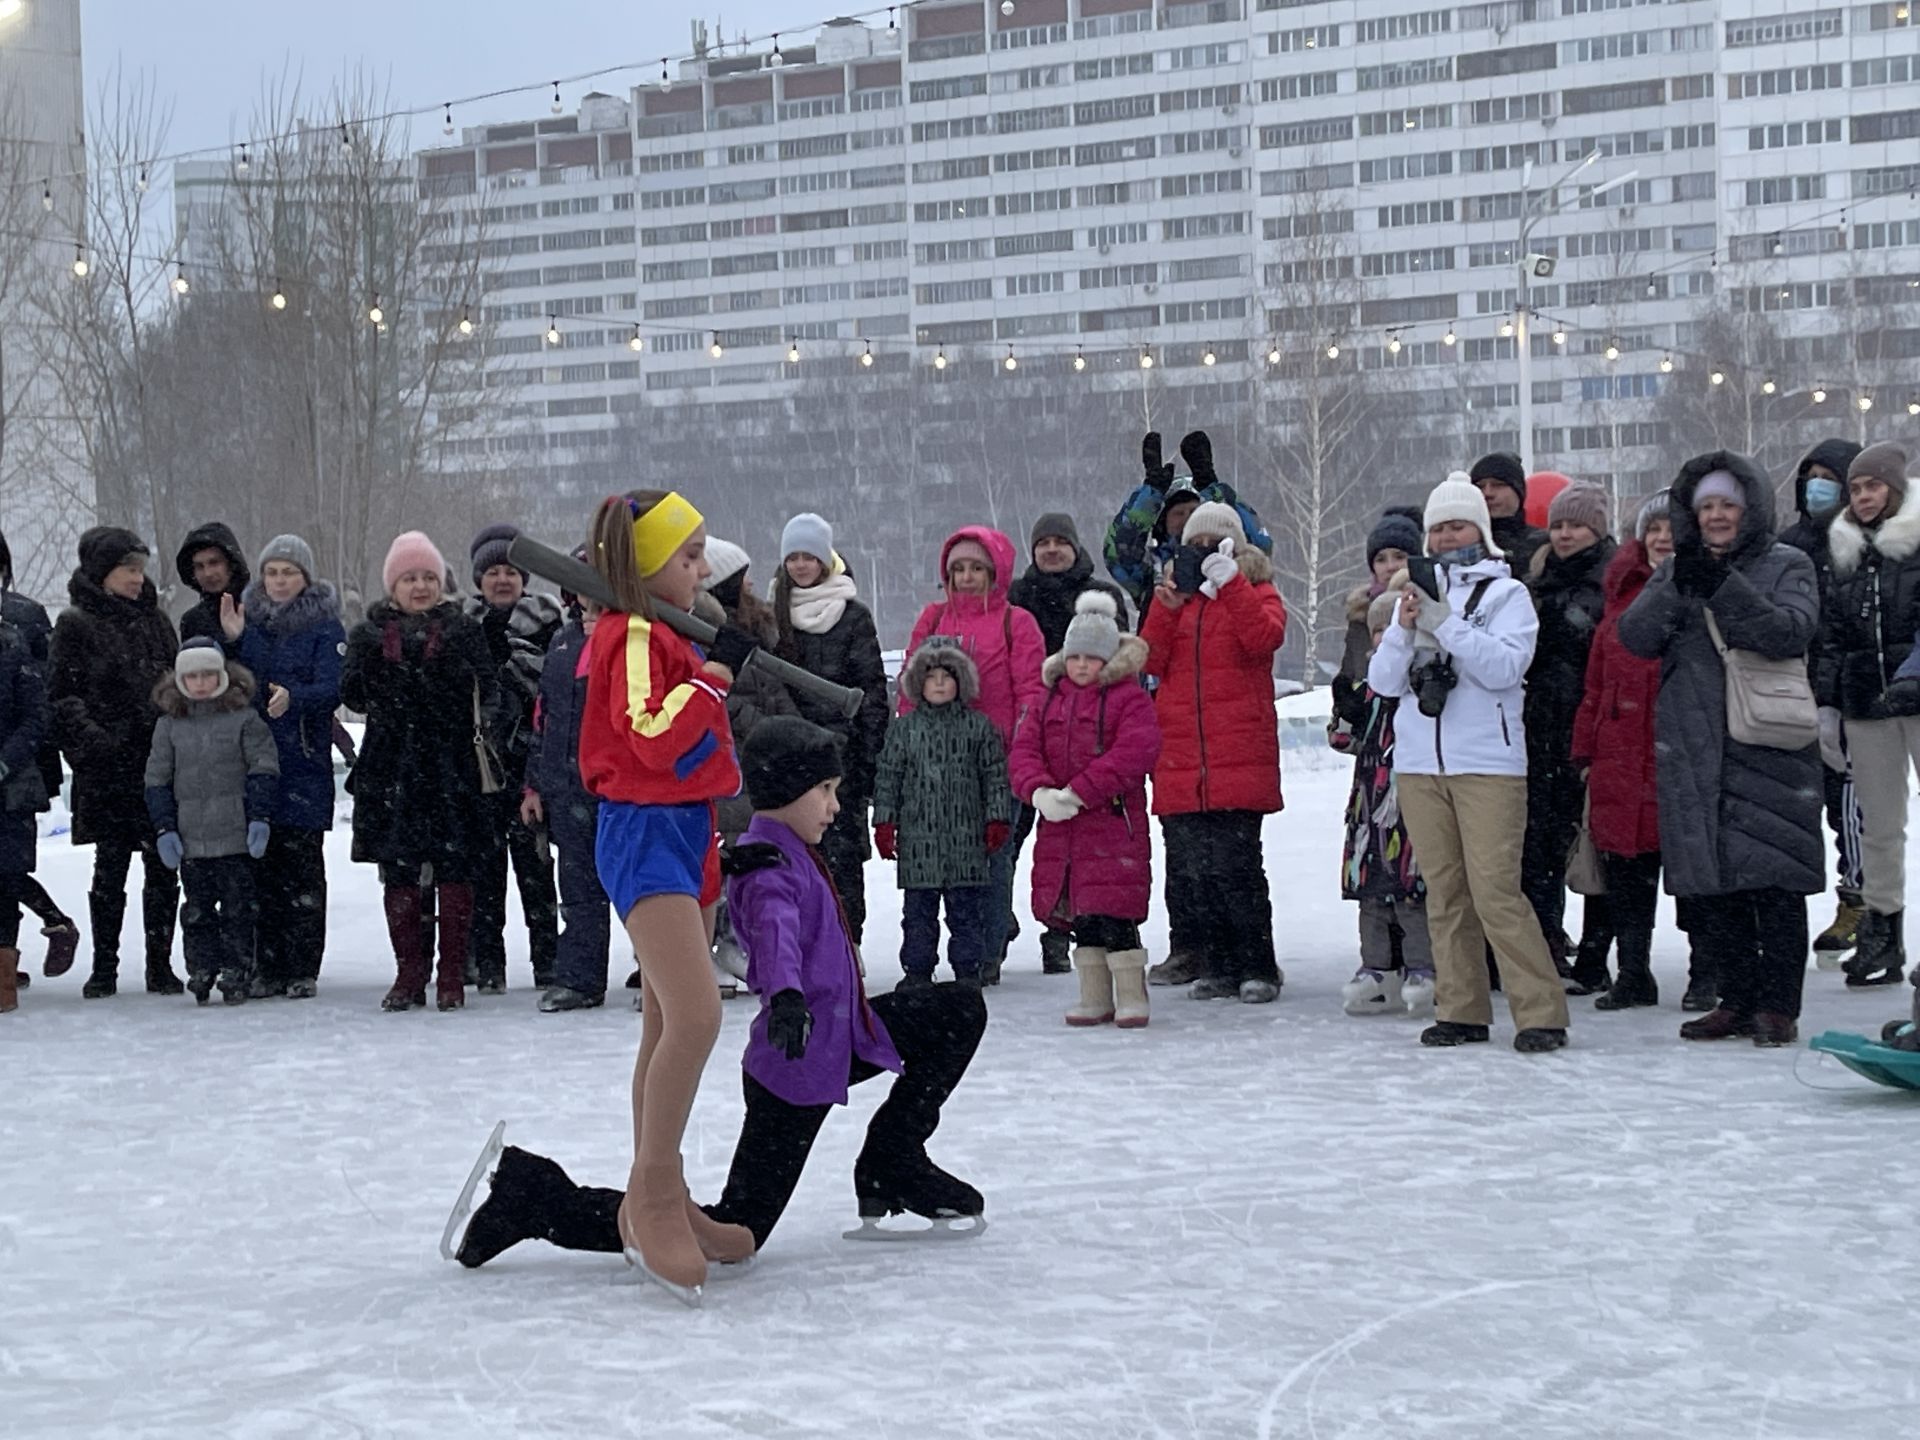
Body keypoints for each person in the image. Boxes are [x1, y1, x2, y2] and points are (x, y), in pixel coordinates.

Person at [445, 716, 988, 1274]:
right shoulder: (772, 866)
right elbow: (774, 933)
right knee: (734, 1230)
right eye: (824, 792)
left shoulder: (780, 848)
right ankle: (538, 1198)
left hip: (842, 1034)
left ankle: (892, 1158)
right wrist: (785, 998)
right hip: (794, 1063)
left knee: (958, 1009)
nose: (835, 807)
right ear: (786, 791)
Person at [577, 489, 762, 1303]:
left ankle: (663, 1189)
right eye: (688, 559)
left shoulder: (660, 632)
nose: (701, 571)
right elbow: (648, 728)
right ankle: (649, 1196)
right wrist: (715, 681)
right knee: (696, 1014)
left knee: (664, 1021)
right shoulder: (638, 633)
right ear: (648, 566)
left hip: (685, 829)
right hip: (646, 831)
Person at [1619, 453, 1823, 1048]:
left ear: (1749, 508)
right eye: (1705, 506)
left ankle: (1778, 1006)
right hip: (1693, 744)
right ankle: (1735, 1000)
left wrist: (1723, 590)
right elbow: (1635, 638)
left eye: (1727, 505)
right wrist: (1676, 585)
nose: (1716, 517)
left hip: (1767, 744)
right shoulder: (1678, 568)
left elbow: (1789, 631)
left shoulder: (1789, 562)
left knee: (1775, 879)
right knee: (1718, 883)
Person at [1367, 474, 1572, 1052]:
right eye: (1437, 527)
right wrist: (1405, 630)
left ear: (1480, 530)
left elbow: (1505, 669)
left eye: (1457, 524)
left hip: (1488, 764)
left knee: (1496, 893)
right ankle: (1461, 1008)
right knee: (1446, 893)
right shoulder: (1413, 596)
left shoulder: (1507, 596)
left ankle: (1540, 1011)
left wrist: (1444, 624)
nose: (1446, 535)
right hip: (1419, 763)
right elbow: (1383, 684)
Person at [340, 532, 497, 1013]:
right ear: (393, 585)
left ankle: (451, 974)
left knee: (455, 868)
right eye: (410, 578)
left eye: (429, 577)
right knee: (399, 871)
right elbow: (353, 697)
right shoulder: (370, 634)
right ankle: (410, 973)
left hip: (451, 766)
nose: (421, 586)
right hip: (392, 767)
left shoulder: (463, 630)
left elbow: (488, 688)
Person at [1141, 500, 1289, 1004]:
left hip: (1237, 756)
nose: (1202, 552)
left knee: (1238, 867)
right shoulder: (1174, 600)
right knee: (1195, 872)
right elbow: (1149, 659)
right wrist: (1166, 607)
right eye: (1194, 544)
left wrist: (1233, 585)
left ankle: (1258, 964)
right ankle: (1217, 963)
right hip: (1183, 759)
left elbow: (1264, 638)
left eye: (1213, 542)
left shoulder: (1257, 590)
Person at [1008, 592, 1162, 1027]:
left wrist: (1079, 792)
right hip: (1062, 830)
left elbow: (1135, 752)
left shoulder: (1129, 698)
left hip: (1112, 825)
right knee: (1084, 914)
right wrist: (1038, 792)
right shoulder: (1046, 700)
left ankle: (1132, 994)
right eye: (1073, 656)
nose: (1080, 665)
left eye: (1090, 658)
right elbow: (1023, 752)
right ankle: (1094, 994)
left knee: (1116, 912)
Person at [900, 526, 1044, 984]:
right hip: (936, 767)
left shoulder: (1016, 622)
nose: (966, 577)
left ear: (995, 572)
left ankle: (987, 950)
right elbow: (909, 687)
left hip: (994, 764)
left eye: (976, 568)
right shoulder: (933, 619)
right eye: (958, 569)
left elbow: (1031, 693)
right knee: (944, 863)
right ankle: (945, 951)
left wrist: (1018, 751)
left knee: (993, 859)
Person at [49, 527, 183, 999]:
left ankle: (160, 964)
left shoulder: (156, 620)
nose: (135, 578)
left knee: (163, 866)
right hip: (107, 768)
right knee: (110, 869)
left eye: (140, 569)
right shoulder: (76, 625)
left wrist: (169, 731)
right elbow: (64, 697)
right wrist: (96, 745)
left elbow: (177, 680)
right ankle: (104, 965)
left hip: (157, 764)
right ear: (103, 572)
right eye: (128, 568)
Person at [1813, 443, 1920, 991]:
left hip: (1917, 697)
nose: (1863, 497)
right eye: (1855, 489)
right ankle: (1883, 930)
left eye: (1872, 486)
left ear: (1894, 489)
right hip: (1866, 704)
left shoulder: (1916, 543)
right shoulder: (1845, 551)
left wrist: (1912, 673)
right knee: (1878, 826)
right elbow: (1831, 636)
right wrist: (1828, 704)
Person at [1007, 513, 1132, 976]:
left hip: (1094, 731)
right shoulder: (1018, 597)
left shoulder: (1100, 597)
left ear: (1076, 547)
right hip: (1038, 726)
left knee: (1085, 843)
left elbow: (1121, 660)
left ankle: (1074, 934)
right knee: (1017, 841)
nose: (1052, 550)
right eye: (1044, 543)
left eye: (1062, 541)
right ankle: (1010, 921)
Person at [1573, 494, 1680, 1012]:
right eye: (1653, 527)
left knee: (1691, 872)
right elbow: (1596, 682)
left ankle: (1709, 971)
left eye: (1672, 527)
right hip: (1619, 752)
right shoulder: (1620, 593)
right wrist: (1585, 750)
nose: (1662, 536)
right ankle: (1633, 971)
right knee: (1625, 874)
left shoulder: (1699, 588)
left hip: (1677, 750)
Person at [228, 534, 344, 999]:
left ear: (305, 578)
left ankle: (302, 966)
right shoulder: (247, 623)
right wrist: (235, 641)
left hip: (303, 762)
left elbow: (334, 689)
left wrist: (296, 700)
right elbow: (234, 686)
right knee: (262, 870)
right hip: (254, 764)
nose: (279, 581)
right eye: (272, 572)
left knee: (302, 870)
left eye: (288, 572)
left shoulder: (325, 628)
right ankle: (266, 964)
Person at [769, 513, 889, 949]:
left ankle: (845, 945)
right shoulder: (772, 614)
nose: (801, 566)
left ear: (826, 559)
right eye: (793, 557)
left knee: (841, 859)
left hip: (841, 763)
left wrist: (866, 754)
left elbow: (872, 689)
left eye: (809, 556)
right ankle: (797, 948)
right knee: (793, 858)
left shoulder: (852, 615)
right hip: (787, 759)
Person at [1519, 484, 1616, 995]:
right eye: (1558, 525)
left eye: (1575, 525)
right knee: (1541, 843)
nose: (1564, 534)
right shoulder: (1537, 580)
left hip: (1594, 723)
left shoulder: (1612, 579)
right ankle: (1547, 941)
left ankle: (1598, 952)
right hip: (1542, 726)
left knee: (1596, 844)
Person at [144, 639, 279, 1006]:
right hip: (190, 837)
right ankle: (201, 968)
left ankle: (237, 969)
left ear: (221, 676)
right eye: (192, 676)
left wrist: (259, 818)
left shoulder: (245, 720)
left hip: (235, 835)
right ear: (180, 681)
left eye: (208, 674)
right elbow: (157, 778)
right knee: (197, 910)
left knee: (238, 909)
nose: (200, 683)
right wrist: (164, 828)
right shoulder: (169, 726)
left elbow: (263, 767)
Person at [875, 638, 1014, 989]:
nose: (938, 683)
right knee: (918, 916)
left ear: (961, 682)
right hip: (919, 844)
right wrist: (885, 821)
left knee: (966, 913)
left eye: (946, 676)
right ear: (918, 683)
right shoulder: (904, 730)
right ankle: (918, 970)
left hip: (966, 842)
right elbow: (889, 776)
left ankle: (968, 970)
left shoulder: (979, 728)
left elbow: (995, 777)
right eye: (931, 675)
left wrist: (997, 818)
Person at [464, 524, 561, 993]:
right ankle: (488, 963)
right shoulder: (462, 627)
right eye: (492, 572)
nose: (502, 580)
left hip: (530, 765)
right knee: (484, 873)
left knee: (537, 870)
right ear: (478, 579)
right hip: (478, 767)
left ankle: (548, 960)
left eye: (510, 571)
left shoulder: (548, 624)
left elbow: (556, 694)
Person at [1781, 438, 1866, 959]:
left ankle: (1858, 898)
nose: (1818, 486)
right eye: (1810, 475)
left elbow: (1846, 626)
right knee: (1795, 809)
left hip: (1848, 694)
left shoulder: (1862, 542)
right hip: (1788, 696)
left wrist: (1833, 695)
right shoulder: (1788, 544)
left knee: (1850, 806)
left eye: (1828, 477)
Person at [700, 537, 794, 992]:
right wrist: (749, 716)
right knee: (713, 862)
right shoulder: (706, 638)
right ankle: (706, 946)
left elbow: (773, 693)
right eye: (741, 579)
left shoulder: (758, 631)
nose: (752, 584)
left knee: (745, 859)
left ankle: (737, 940)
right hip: (718, 765)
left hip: (753, 769)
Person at [1336, 589, 1434, 1018]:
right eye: (1376, 631)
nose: (1381, 639)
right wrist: (1346, 712)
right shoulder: (1366, 690)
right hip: (1368, 806)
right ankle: (1376, 968)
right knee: (1373, 893)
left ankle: (1423, 967)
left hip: (1409, 803)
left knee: (1412, 891)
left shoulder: (1419, 685)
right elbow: (1341, 739)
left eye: (1388, 630)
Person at [529, 570, 616, 1013]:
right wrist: (534, 785)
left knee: (637, 888)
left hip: (616, 788)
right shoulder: (562, 643)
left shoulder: (630, 638)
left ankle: (661, 973)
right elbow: (543, 720)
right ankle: (580, 978)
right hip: (567, 788)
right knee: (578, 888)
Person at [0, 529, 77, 980]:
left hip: (19, 766)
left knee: (6, 870)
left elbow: (42, 697)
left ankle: (7, 962)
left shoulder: (24, 619)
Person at [1104, 430, 1272, 616]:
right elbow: (1117, 554)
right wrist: (1151, 493)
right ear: (1162, 523)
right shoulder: (1152, 572)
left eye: (1194, 510)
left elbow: (1259, 547)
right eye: (1178, 513)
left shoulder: (1230, 563)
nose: (1187, 518)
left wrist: (1212, 488)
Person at [1331, 507, 1424, 755]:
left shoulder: (1429, 607)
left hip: (1417, 734)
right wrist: (1346, 698)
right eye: (1381, 559)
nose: (1390, 566)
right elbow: (1352, 671)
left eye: (1399, 556)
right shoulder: (1360, 614)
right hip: (1373, 737)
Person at [0, 615, 48, 1013]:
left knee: (5, 880)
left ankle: (3, 980)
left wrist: (4, 762)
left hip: (10, 787)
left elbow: (35, 718)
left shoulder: (15, 647)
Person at [1467, 453, 1547, 575]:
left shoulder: (1544, 546)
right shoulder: (1461, 543)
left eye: (1498, 485)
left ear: (1519, 491)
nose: (1487, 493)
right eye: (1480, 486)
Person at [174, 521, 250, 649]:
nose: (208, 573)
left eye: (214, 563)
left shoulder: (258, 610)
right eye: (199, 566)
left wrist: (237, 639)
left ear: (231, 564)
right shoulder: (192, 621)